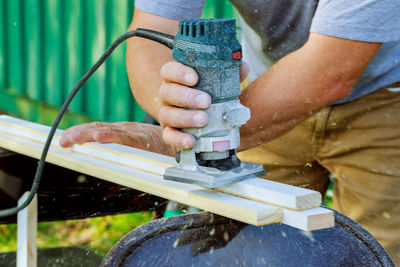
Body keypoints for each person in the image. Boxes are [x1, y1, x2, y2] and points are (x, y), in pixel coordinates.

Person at [60, 0, 400, 263]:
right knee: (249, 244)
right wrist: (176, 120)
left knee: (379, 249)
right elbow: (152, 30)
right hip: (272, 88)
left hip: (386, 93)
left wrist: (190, 142)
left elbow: (333, 69)